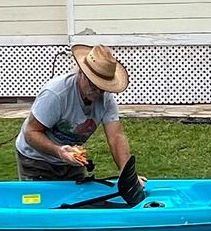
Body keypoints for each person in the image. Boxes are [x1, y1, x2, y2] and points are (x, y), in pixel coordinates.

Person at [16, 43, 144, 184]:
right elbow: (31, 132)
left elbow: (116, 136)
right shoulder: (56, 94)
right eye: (93, 85)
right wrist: (59, 151)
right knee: (41, 203)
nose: (98, 92)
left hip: (72, 161)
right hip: (37, 160)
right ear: (82, 74)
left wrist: (127, 175)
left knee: (75, 203)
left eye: (102, 88)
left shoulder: (106, 99)